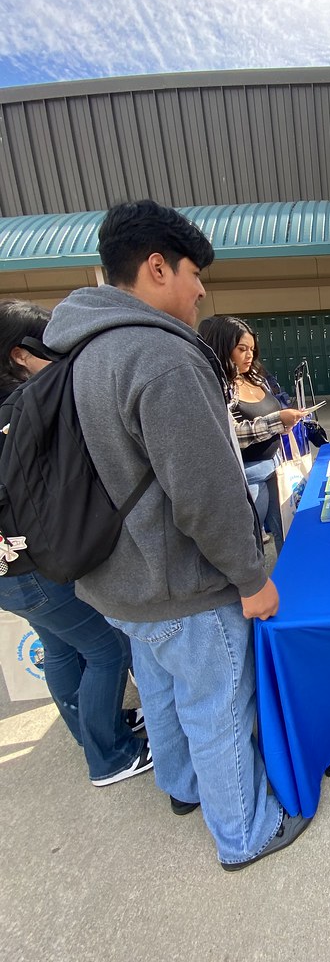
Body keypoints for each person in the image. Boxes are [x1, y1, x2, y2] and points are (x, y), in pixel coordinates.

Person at [43, 200, 311, 870]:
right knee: (217, 706)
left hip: (119, 582)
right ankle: (243, 834)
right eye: (195, 275)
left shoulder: (79, 350)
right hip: (183, 585)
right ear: (156, 266)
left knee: (161, 691)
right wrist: (252, 580)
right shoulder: (161, 356)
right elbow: (207, 494)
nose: (200, 291)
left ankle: (183, 788)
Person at [0, 299, 151, 786]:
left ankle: (93, 732)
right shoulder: (17, 411)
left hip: (12, 574)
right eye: (50, 344)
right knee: (108, 650)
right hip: (29, 567)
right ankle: (110, 756)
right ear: (20, 354)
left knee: (62, 650)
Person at [199, 316, 306, 555]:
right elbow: (230, 433)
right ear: (222, 348)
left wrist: (285, 422)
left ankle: (287, 587)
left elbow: (272, 415)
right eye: (241, 349)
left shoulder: (255, 378)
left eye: (252, 349)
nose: (249, 355)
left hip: (276, 469)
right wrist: (277, 420)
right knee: (250, 547)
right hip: (249, 478)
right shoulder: (215, 386)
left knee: (287, 534)